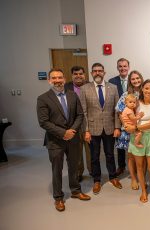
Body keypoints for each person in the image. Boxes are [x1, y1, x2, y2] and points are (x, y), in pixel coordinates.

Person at [37, 68, 91, 212]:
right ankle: (58, 197)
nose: (57, 80)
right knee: (57, 169)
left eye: (60, 77)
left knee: (74, 166)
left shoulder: (72, 95)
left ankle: (75, 190)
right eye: (54, 78)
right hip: (55, 141)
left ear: (64, 79)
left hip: (73, 138)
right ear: (49, 80)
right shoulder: (43, 98)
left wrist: (71, 131)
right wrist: (63, 133)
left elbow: (80, 115)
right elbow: (43, 122)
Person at [80, 63, 122, 194]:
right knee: (94, 156)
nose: (97, 73)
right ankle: (97, 180)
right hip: (93, 128)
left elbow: (116, 110)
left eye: (100, 71)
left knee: (110, 154)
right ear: (91, 73)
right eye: (95, 71)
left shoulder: (113, 88)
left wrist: (117, 127)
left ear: (104, 72)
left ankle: (113, 177)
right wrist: (86, 130)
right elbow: (84, 111)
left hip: (110, 127)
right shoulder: (84, 88)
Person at [127, 79, 150, 203]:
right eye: (146, 88)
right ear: (142, 89)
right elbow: (127, 116)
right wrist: (128, 127)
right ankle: (143, 190)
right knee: (140, 166)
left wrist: (136, 127)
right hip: (137, 137)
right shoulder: (135, 103)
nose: (148, 91)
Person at [115, 70, 144, 190]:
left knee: (142, 156)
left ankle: (141, 177)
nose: (136, 81)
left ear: (141, 79)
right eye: (133, 79)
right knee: (131, 156)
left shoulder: (145, 92)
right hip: (130, 130)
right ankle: (133, 178)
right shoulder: (126, 95)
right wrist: (127, 127)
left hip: (143, 129)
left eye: (138, 78)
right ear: (130, 81)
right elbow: (120, 113)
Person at [64, 66, 91, 181]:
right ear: (72, 75)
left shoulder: (90, 86)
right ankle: (79, 173)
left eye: (81, 73)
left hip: (89, 123)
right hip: (74, 124)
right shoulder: (66, 87)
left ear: (84, 75)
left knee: (91, 150)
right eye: (76, 74)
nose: (78, 76)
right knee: (76, 151)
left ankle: (93, 171)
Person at [109, 58, 130, 176]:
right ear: (117, 68)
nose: (123, 68)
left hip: (130, 117)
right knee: (120, 144)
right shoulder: (112, 81)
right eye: (120, 66)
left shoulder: (133, 80)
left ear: (128, 67)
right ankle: (121, 166)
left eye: (125, 66)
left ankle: (135, 165)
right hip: (118, 116)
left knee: (132, 143)